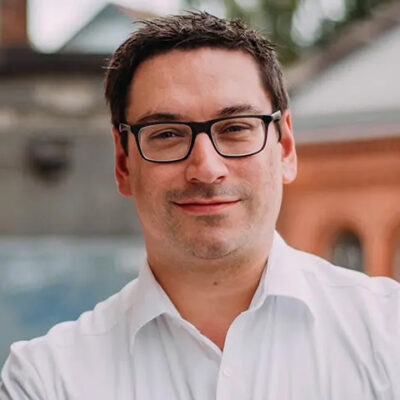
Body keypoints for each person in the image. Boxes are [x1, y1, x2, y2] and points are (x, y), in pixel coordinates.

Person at [1, 11, 399, 400]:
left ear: (285, 149)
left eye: (236, 128)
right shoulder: (47, 380)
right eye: (167, 134)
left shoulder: (388, 334)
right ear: (123, 164)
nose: (207, 169)